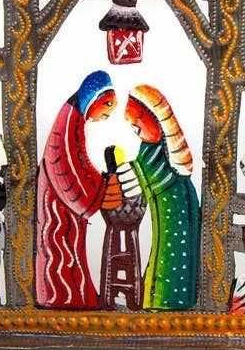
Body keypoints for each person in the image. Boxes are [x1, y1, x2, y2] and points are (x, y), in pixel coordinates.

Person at [35, 70, 117, 308]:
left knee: (72, 249)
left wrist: (100, 181)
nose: (108, 114)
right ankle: (62, 297)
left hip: (66, 207)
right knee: (61, 252)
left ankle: (78, 296)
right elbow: (68, 165)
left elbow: (79, 160)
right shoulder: (68, 125)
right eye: (107, 105)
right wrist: (102, 185)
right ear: (93, 99)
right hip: (59, 206)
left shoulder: (75, 122)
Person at [119, 85, 200, 310]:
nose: (134, 127)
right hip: (164, 216)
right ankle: (154, 299)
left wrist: (132, 171)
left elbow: (158, 180)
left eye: (138, 120)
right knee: (159, 258)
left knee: (173, 261)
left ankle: (168, 303)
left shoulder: (167, 156)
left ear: (157, 120)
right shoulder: (147, 149)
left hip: (177, 216)